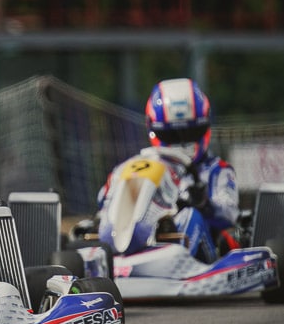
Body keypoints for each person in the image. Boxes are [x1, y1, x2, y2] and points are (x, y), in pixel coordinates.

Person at [95, 78, 240, 263]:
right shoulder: (135, 166)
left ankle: (171, 263)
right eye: (171, 135)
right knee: (89, 226)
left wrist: (204, 203)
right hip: (142, 237)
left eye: (190, 133)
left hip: (200, 253)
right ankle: (113, 258)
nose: (180, 142)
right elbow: (102, 200)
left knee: (191, 215)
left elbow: (230, 214)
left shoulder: (216, 170)